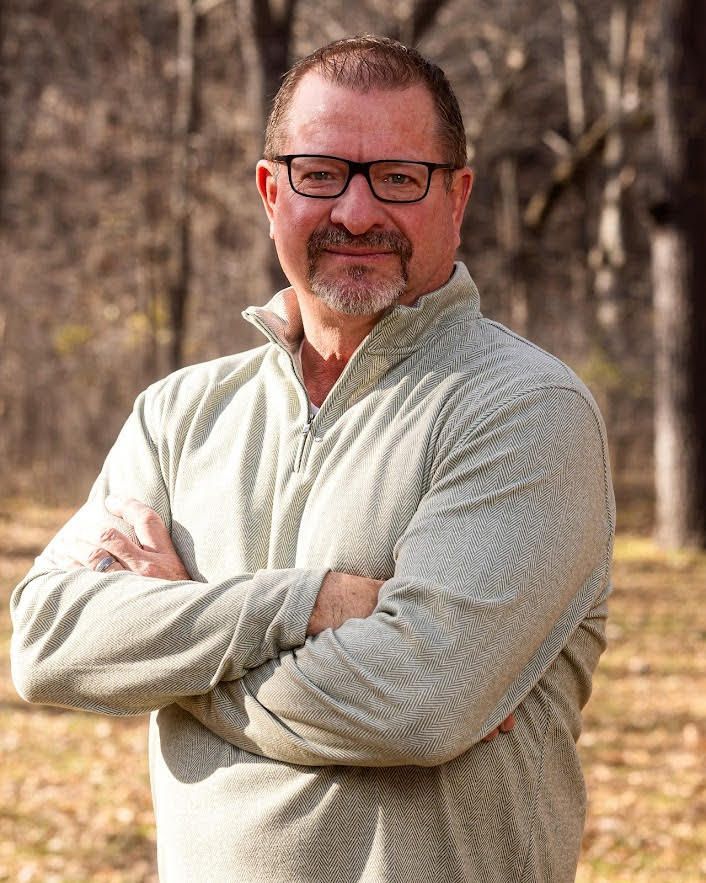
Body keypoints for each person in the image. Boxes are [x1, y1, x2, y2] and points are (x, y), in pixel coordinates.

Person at [10, 36, 614, 883]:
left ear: (458, 195)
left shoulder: (521, 409)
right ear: (270, 190)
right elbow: (48, 640)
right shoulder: (179, 414)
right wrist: (311, 603)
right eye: (320, 173)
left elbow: (416, 702)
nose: (358, 213)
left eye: (398, 176)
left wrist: (173, 641)